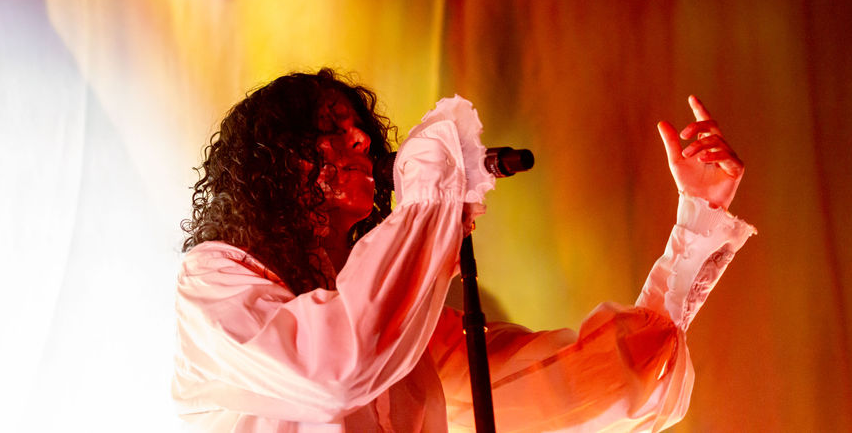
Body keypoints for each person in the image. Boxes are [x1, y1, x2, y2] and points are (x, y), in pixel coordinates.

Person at [172, 69, 756, 431]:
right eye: (330, 128)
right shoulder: (214, 286)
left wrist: (699, 219)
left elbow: (585, 385)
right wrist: (430, 198)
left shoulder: (413, 334)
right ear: (274, 163)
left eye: (360, 129)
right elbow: (335, 368)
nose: (359, 139)